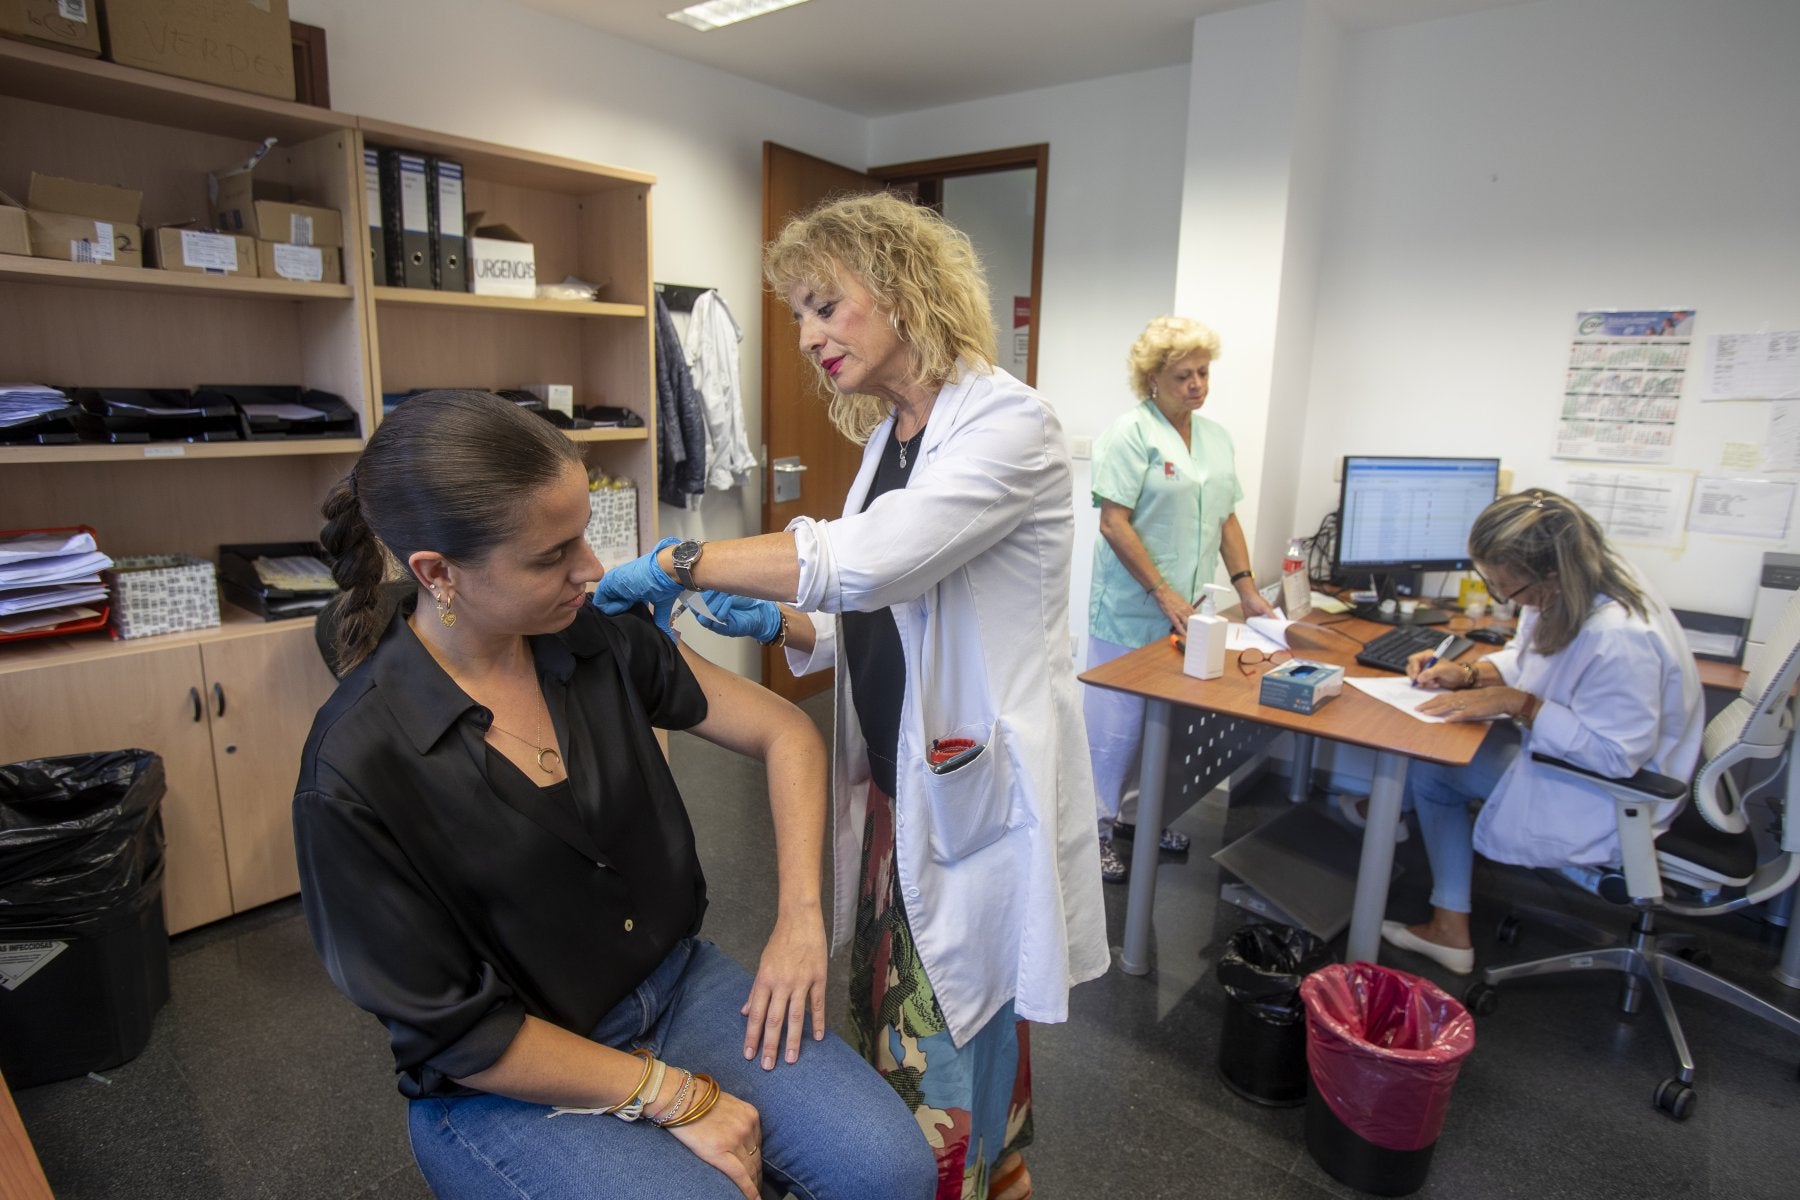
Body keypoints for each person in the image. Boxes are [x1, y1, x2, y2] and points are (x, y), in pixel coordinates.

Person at [591, 192, 1108, 1200]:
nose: (809, 336)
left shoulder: (1013, 424)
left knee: (948, 1013)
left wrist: (688, 562)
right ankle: (980, 1176)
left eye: (827, 304)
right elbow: (878, 606)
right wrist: (788, 627)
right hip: (900, 779)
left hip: (971, 787)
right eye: (797, 315)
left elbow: (873, 560)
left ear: (907, 288)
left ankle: (948, 1180)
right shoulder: (894, 436)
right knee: (908, 1000)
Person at [293, 390, 934, 1200]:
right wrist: (678, 1097)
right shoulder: (354, 772)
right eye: (550, 556)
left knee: (891, 1170)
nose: (591, 570)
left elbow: (786, 734)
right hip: (504, 1074)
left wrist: (801, 920)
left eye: (585, 537)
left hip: (675, 986)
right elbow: (460, 1035)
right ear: (437, 574)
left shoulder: (590, 638)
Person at [1379, 489, 1703, 976]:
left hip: (1615, 791)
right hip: (1593, 761)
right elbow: (1533, 657)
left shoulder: (1618, 635)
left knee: (1434, 771)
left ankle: (1448, 927)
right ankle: (1383, 820)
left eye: (1509, 589)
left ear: (1552, 574)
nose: (1506, 599)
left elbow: (1617, 756)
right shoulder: (1575, 583)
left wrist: (1519, 704)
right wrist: (1469, 674)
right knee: (1449, 748)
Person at [1083, 316, 1276, 883]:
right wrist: (1161, 592)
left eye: (1202, 373)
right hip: (1128, 609)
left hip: (1188, 612)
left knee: (1164, 724)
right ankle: (1092, 831)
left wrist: (1247, 587)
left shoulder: (1215, 437)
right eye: (1182, 375)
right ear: (1153, 380)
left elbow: (1226, 515)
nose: (1196, 384)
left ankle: (1141, 821)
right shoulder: (1130, 434)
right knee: (1115, 731)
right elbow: (1114, 523)